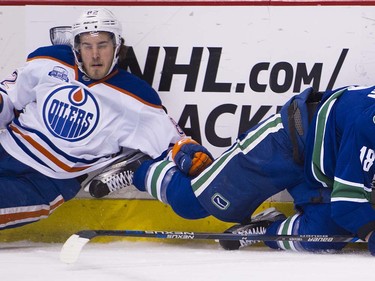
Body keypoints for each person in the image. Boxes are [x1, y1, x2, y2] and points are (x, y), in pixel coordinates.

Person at [0, 7, 212, 230]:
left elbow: (173, 144)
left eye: (102, 45)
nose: (95, 55)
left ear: (117, 47)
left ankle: (136, 164)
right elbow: (10, 99)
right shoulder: (49, 61)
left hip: (43, 183)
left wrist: (190, 155)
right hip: (5, 150)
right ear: (77, 48)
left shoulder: (136, 97)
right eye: (87, 46)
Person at [102, 84, 375, 256]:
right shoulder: (369, 123)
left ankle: (268, 227)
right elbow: (348, 204)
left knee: (324, 236)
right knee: (190, 204)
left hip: (327, 169)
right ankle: (140, 167)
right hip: (287, 141)